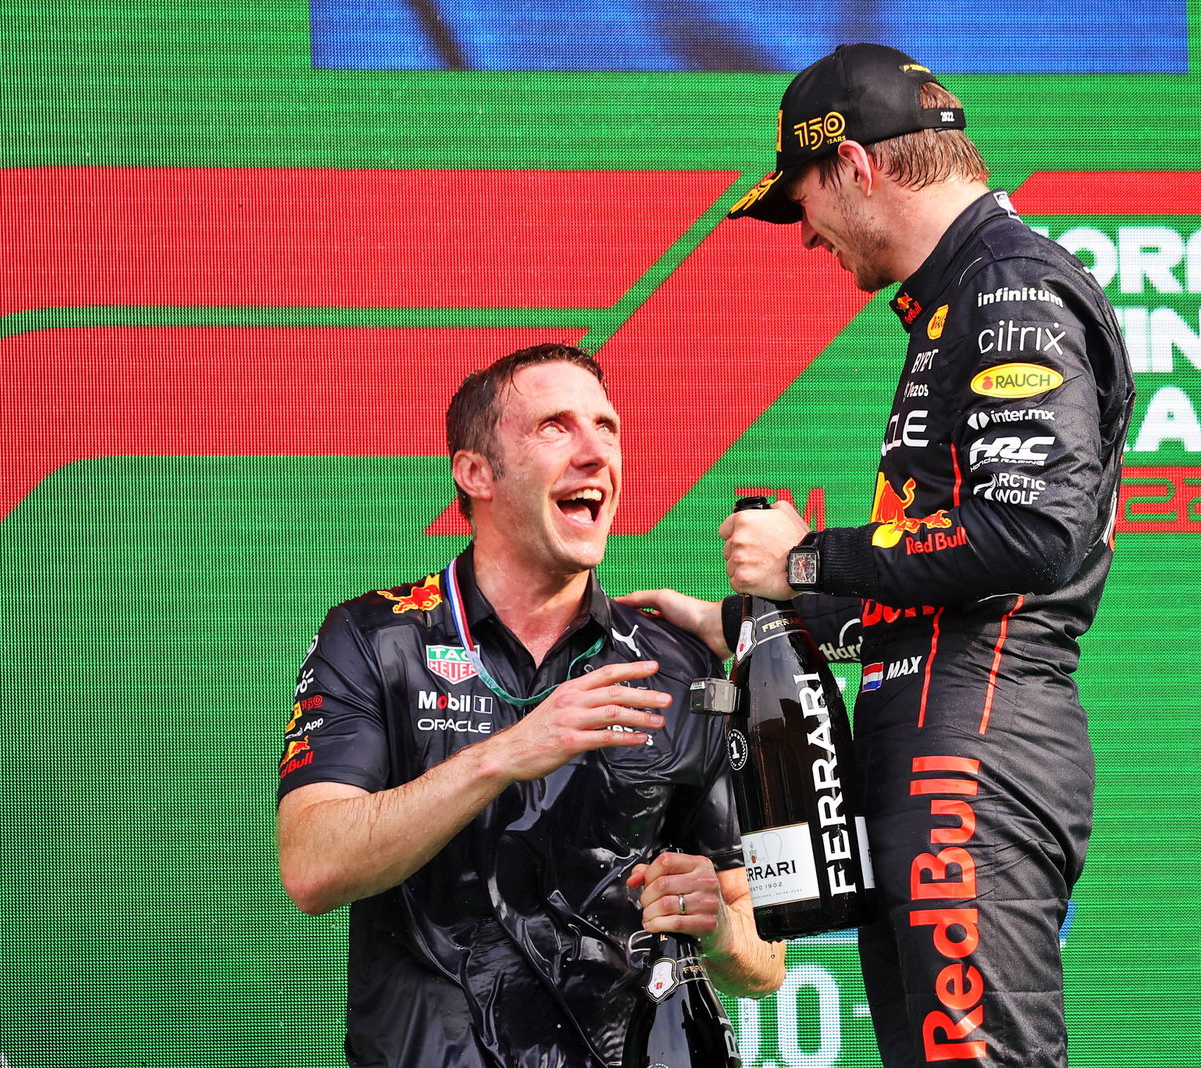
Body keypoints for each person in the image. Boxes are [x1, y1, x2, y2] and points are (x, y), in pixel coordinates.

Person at [621, 44, 1135, 1068]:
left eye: (800, 200)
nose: (803, 234)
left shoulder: (1008, 289)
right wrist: (733, 621)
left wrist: (804, 560)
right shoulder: (959, 299)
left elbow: (1031, 534)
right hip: (936, 749)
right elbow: (935, 588)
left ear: (853, 166)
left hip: (972, 756)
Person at [275, 342, 784, 1067]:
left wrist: (722, 932)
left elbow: (766, 961)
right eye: (555, 427)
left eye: (606, 427)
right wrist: (503, 755)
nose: (595, 452)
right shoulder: (376, 639)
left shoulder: (679, 666)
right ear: (476, 472)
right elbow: (312, 867)